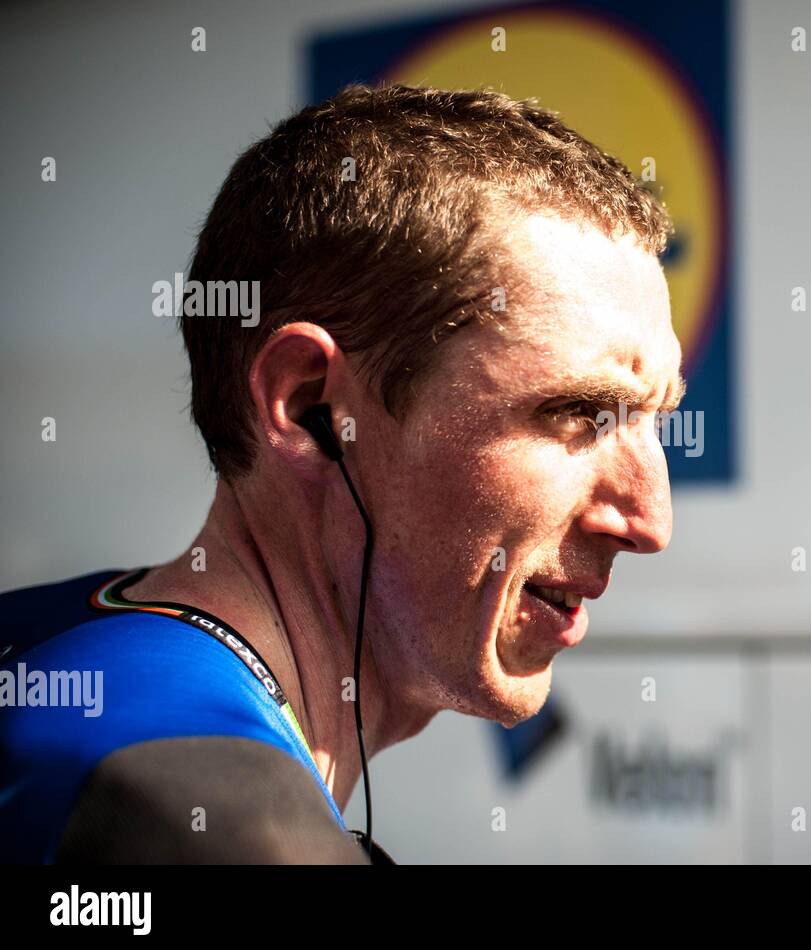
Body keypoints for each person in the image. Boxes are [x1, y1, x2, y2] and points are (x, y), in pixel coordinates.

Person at [0, 84, 683, 863]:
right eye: (580, 412)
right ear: (309, 407)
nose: (651, 520)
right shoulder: (228, 831)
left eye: (656, 419)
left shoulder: (49, 639)